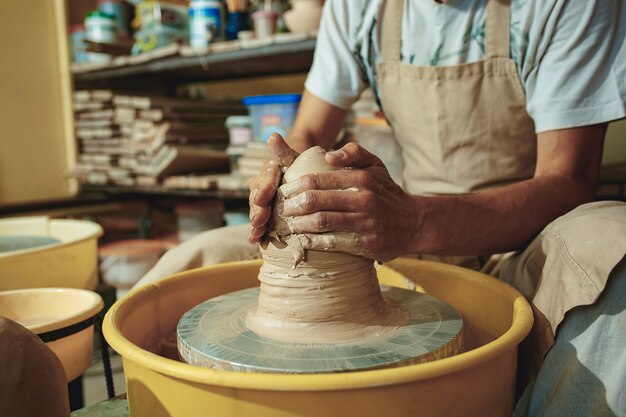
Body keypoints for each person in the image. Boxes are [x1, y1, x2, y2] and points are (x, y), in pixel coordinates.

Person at [136, 0, 626, 414]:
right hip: (395, 231)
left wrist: (415, 221)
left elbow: (567, 180)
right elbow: (305, 137)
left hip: (524, 239)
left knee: (616, 255)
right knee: (193, 258)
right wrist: (280, 176)